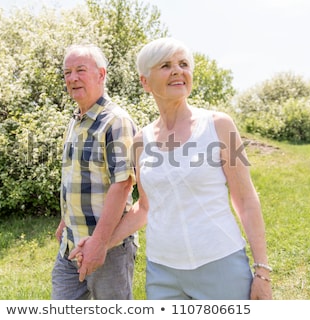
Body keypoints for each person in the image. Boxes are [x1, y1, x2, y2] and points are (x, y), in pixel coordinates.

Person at [71, 38, 273, 300]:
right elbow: (144, 208)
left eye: (183, 64)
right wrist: (100, 244)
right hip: (162, 273)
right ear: (145, 82)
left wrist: (262, 271)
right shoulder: (141, 141)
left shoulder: (219, 126)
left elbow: (245, 200)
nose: (178, 71)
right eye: (165, 65)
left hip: (221, 264)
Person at [51, 44, 138, 300]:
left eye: (80, 70)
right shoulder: (76, 120)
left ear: (101, 75)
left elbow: (122, 185)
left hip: (109, 249)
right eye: (67, 72)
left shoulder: (116, 121)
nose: (72, 78)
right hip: (70, 245)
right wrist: (65, 220)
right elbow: (78, 178)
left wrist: (98, 243)